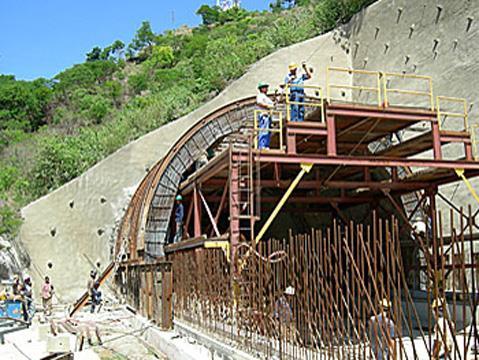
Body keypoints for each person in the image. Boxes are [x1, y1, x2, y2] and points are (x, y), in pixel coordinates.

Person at [256, 81, 275, 150]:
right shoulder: (260, 96)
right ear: (261, 89)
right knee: (264, 130)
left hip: (268, 116)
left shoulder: (266, 97)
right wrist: (268, 106)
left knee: (268, 132)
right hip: (264, 115)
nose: (267, 89)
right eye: (265, 87)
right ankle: (262, 146)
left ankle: (266, 145)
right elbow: (259, 102)